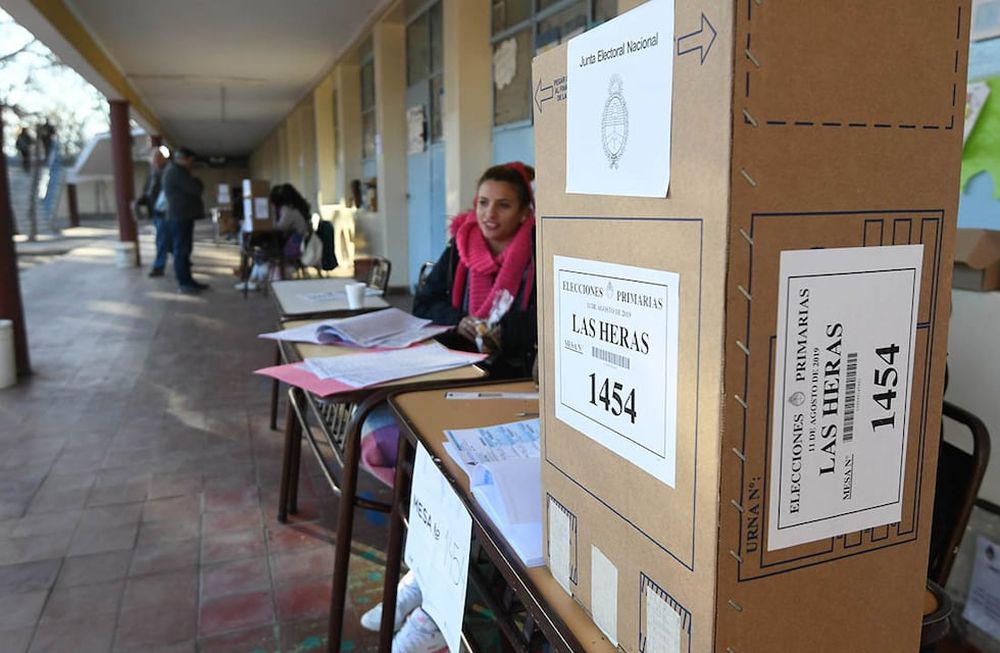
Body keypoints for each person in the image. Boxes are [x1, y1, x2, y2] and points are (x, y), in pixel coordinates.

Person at [358, 162, 538, 652]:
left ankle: (434, 603)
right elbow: (425, 303)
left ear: (524, 212)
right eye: (483, 203)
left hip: (509, 383)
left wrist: (505, 332)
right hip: (449, 374)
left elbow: (548, 317)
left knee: (468, 479)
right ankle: (424, 578)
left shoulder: (542, 253)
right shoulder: (459, 247)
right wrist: (458, 320)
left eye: (503, 204)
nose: (489, 215)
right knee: (418, 458)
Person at [161, 147, 208, 294]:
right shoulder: (176, 171)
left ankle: (188, 281)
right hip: (179, 217)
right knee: (181, 250)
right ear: (184, 159)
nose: (192, 164)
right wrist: (197, 180)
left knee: (185, 249)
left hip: (183, 216)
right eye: (191, 161)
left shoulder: (177, 171)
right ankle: (184, 283)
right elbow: (195, 189)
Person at [134, 147, 171, 277]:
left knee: (161, 240)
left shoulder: (168, 172)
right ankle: (178, 259)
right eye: (154, 158)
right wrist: (141, 200)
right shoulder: (152, 173)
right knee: (164, 239)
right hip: (155, 211)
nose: (155, 160)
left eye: (158, 157)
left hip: (165, 212)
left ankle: (159, 267)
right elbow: (149, 192)